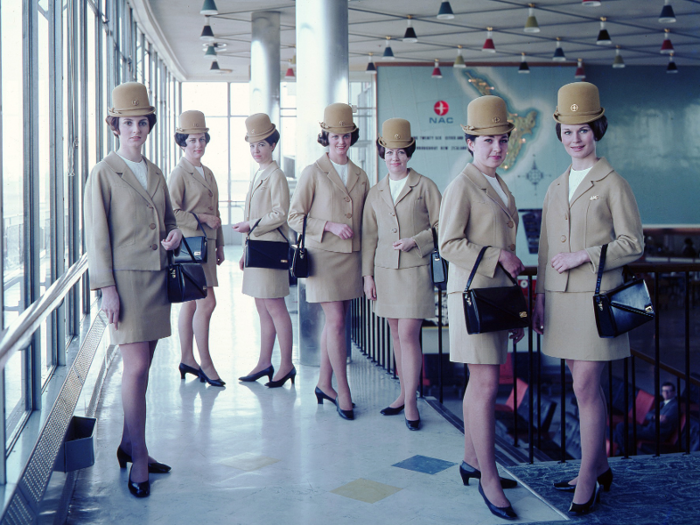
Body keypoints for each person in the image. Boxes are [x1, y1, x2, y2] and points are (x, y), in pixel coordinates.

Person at [533, 82, 644, 515]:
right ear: (560, 135)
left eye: (583, 130)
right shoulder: (556, 186)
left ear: (597, 129)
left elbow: (633, 243)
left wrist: (586, 254)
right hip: (561, 301)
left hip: (597, 300)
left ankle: (587, 477)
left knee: (584, 386)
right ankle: (597, 468)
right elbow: (543, 248)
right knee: (582, 388)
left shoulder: (613, 182)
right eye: (567, 131)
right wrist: (540, 297)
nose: (575, 138)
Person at [84, 82, 183, 498]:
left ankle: (129, 442)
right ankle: (138, 457)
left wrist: (175, 236)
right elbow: (96, 234)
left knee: (144, 370)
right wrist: (106, 287)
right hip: (124, 283)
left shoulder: (156, 171)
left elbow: (170, 219)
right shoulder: (104, 172)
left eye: (142, 123)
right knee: (136, 367)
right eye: (128, 123)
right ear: (115, 126)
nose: (136, 130)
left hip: (156, 277)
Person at [438, 96, 522, 521]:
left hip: (494, 299)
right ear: (469, 142)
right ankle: (489, 476)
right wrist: (498, 257)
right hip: (473, 298)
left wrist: (513, 309)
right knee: (486, 385)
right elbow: (448, 243)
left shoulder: (498, 183)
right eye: (487, 140)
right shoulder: (463, 185)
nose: (496, 148)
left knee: (480, 383)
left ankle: (473, 460)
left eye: (502, 140)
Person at [288, 103, 369, 420]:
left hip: (352, 258)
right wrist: (329, 225)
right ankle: (343, 390)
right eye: (335, 136)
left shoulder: (361, 176)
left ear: (352, 136)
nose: (341, 141)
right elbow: (295, 217)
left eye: (346, 135)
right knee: (336, 323)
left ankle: (324, 383)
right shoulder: (313, 172)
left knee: (337, 323)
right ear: (327, 136)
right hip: (323, 258)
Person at [362, 118, 441, 431]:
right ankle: (403, 393)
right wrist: (367, 276)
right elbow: (369, 236)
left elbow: (442, 227)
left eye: (401, 152)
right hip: (385, 273)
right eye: (389, 152)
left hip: (415, 272)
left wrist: (417, 240)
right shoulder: (376, 191)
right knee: (396, 334)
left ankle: (411, 402)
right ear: (382, 153)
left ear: (410, 153)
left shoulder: (425, 186)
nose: (394, 158)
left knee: (408, 334)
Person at [233, 114, 295, 387]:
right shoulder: (260, 173)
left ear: (272, 145)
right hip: (258, 248)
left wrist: (251, 225)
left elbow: (281, 213)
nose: (256, 151)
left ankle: (287, 365)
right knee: (262, 308)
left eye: (261, 145)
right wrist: (246, 251)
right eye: (252, 146)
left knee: (276, 307)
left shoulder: (276, 175)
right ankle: (264, 362)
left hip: (270, 248)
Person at [168, 110, 226, 387]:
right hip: (191, 245)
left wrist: (221, 244)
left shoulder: (208, 172)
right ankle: (206, 362)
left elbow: (217, 211)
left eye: (201, 139)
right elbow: (171, 212)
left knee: (192, 304)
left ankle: (187, 358)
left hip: (207, 245)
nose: (198, 145)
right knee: (207, 302)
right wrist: (201, 218)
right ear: (182, 142)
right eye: (192, 140)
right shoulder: (179, 173)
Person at [613, 382, 679, 455]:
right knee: (620, 426)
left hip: (657, 433)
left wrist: (654, 417)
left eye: (668, 391)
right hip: (648, 428)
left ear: (674, 392)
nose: (665, 393)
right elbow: (647, 415)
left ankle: (625, 453)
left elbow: (663, 420)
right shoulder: (662, 403)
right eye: (663, 391)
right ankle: (623, 450)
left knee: (629, 434)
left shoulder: (674, 406)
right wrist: (655, 416)